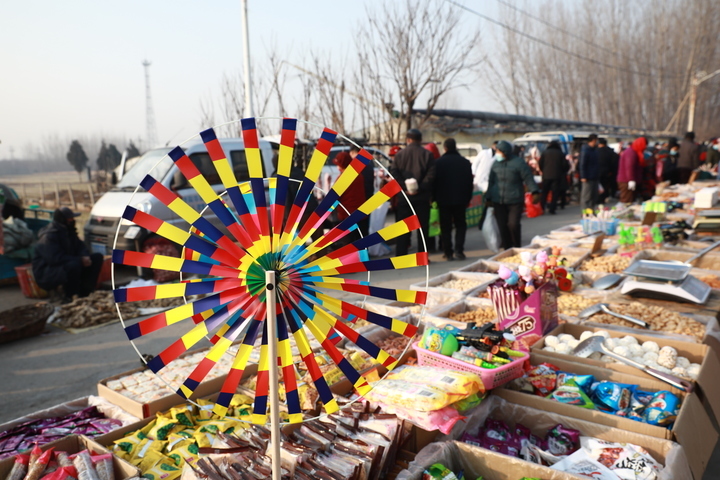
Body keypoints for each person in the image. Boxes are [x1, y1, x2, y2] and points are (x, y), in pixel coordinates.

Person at [32, 207, 103, 301]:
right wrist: (79, 260)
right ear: (63, 220)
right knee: (73, 265)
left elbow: (81, 247)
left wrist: (84, 256)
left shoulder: (69, 231)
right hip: (47, 272)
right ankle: (71, 296)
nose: (73, 220)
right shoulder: (49, 236)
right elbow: (54, 259)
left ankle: (86, 292)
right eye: (70, 218)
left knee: (97, 258)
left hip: (66, 264)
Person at [485, 140, 540, 249]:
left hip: (515, 199)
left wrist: (535, 191)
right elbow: (491, 182)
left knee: (513, 224)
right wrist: (488, 197)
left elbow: (528, 178)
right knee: (502, 225)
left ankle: (516, 246)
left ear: (505, 151)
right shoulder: (495, 164)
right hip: (498, 200)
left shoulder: (518, 163)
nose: (497, 153)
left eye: (499, 151)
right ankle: (507, 248)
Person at [390, 129, 436, 256]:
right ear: (420, 140)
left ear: (408, 140)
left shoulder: (399, 155)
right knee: (422, 228)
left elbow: (393, 173)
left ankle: (401, 255)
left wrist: (406, 187)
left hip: (404, 198)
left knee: (403, 228)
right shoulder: (427, 155)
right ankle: (422, 256)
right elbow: (431, 175)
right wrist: (419, 188)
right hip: (422, 197)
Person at [433, 138, 473, 261]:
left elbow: (434, 182)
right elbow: (469, 182)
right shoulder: (465, 162)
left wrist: (434, 198)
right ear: (455, 147)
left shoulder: (438, 163)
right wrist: (468, 198)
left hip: (443, 200)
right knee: (460, 225)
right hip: (460, 200)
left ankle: (448, 252)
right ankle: (459, 251)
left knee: (446, 227)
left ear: (445, 148)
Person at [332, 151, 367, 246]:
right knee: (360, 243)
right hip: (360, 214)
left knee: (349, 244)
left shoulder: (342, 178)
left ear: (341, 164)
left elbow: (333, 197)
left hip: (346, 215)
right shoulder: (358, 175)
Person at [349, 145, 374, 237]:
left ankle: (357, 250)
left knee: (355, 231)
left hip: (356, 202)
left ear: (352, 153)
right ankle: (364, 250)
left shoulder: (354, 165)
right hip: (367, 200)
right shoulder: (368, 164)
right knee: (364, 230)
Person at [538, 141, 568, 215]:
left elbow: (540, 163)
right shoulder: (560, 153)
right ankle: (552, 208)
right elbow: (565, 165)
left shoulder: (545, 153)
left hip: (546, 176)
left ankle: (542, 207)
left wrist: (543, 171)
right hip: (557, 176)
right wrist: (562, 172)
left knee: (545, 192)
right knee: (555, 193)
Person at [617, 137, 646, 204]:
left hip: (628, 180)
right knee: (627, 200)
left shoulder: (634, 152)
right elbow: (629, 167)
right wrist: (631, 179)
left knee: (630, 200)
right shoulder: (631, 152)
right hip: (626, 181)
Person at [579, 134, 600, 210]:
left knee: (593, 196)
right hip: (588, 177)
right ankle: (585, 212)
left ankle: (591, 210)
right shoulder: (585, 150)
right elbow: (582, 164)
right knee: (587, 196)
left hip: (594, 176)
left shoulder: (594, 150)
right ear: (593, 140)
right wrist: (583, 176)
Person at [597, 138, 619, 203]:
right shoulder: (611, 152)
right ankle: (608, 196)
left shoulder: (596, 152)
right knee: (607, 186)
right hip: (609, 173)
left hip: (598, 173)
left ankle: (600, 199)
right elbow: (615, 163)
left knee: (599, 186)